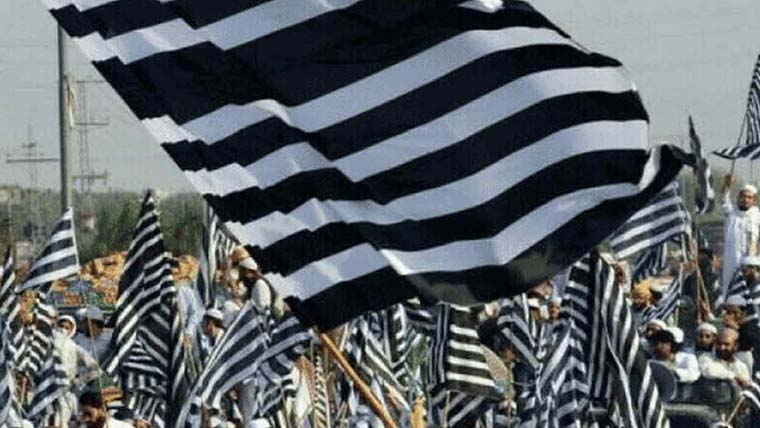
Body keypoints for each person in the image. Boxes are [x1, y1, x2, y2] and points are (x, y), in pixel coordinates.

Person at [53, 315, 100, 426]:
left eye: (67, 328)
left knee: (62, 422)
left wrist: (79, 380)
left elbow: (95, 368)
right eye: (61, 326)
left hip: (66, 390)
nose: (63, 330)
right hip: (48, 388)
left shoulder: (74, 347)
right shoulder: (48, 344)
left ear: (72, 330)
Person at [721, 175, 760, 292]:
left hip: (751, 264)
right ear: (738, 198)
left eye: (749, 197)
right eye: (743, 196)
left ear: (754, 201)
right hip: (731, 263)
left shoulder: (757, 215)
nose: (746, 200)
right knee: (730, 292)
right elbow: (724, 199)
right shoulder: (731, 213)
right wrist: (727, 185)